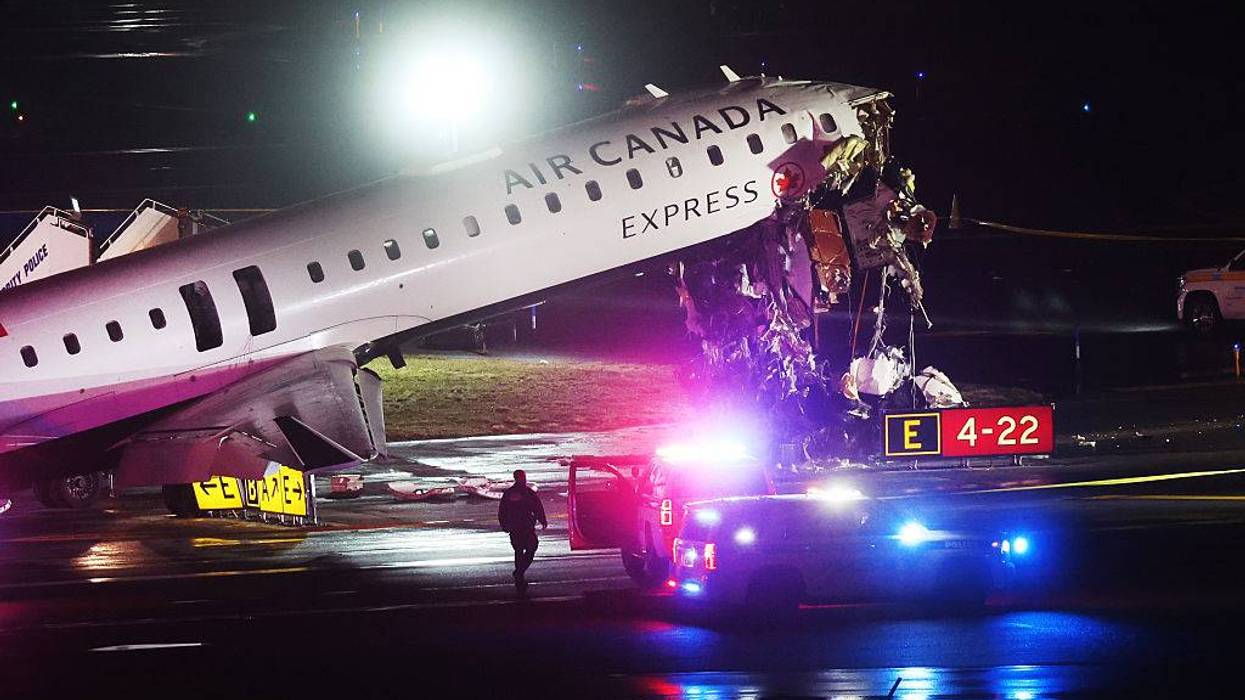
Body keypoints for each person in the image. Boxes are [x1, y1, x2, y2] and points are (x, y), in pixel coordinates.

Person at [498, 469, 546, 595]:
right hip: (524, 527)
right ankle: (519, 573)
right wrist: (542, 520)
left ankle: (519, 574)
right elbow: (537, 507)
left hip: (516, 527)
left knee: (520, 551)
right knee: (530, 548)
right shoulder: (527, 492)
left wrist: (504, 524)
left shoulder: (510, 493)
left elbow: (502, 510)